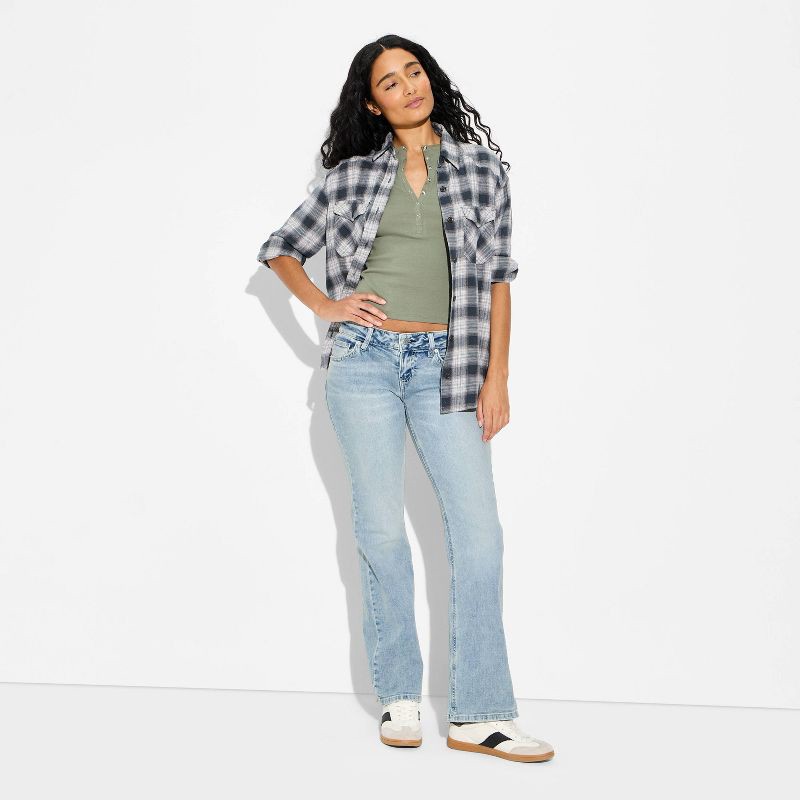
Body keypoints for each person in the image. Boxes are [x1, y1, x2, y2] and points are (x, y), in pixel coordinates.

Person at [257, 34, 555, 764]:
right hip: (364, 363)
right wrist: (327, 307)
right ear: (373, 104)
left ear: (430, 79)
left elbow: (499, 279)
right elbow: (280, 248)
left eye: (413, 72)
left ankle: (480, 713)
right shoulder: (351, 178)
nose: (407, 87)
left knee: (479, 535)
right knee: (381, 530)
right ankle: (399, 694)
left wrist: (497, 377)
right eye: (389, 82)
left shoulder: (481, 170)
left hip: (449, 366)